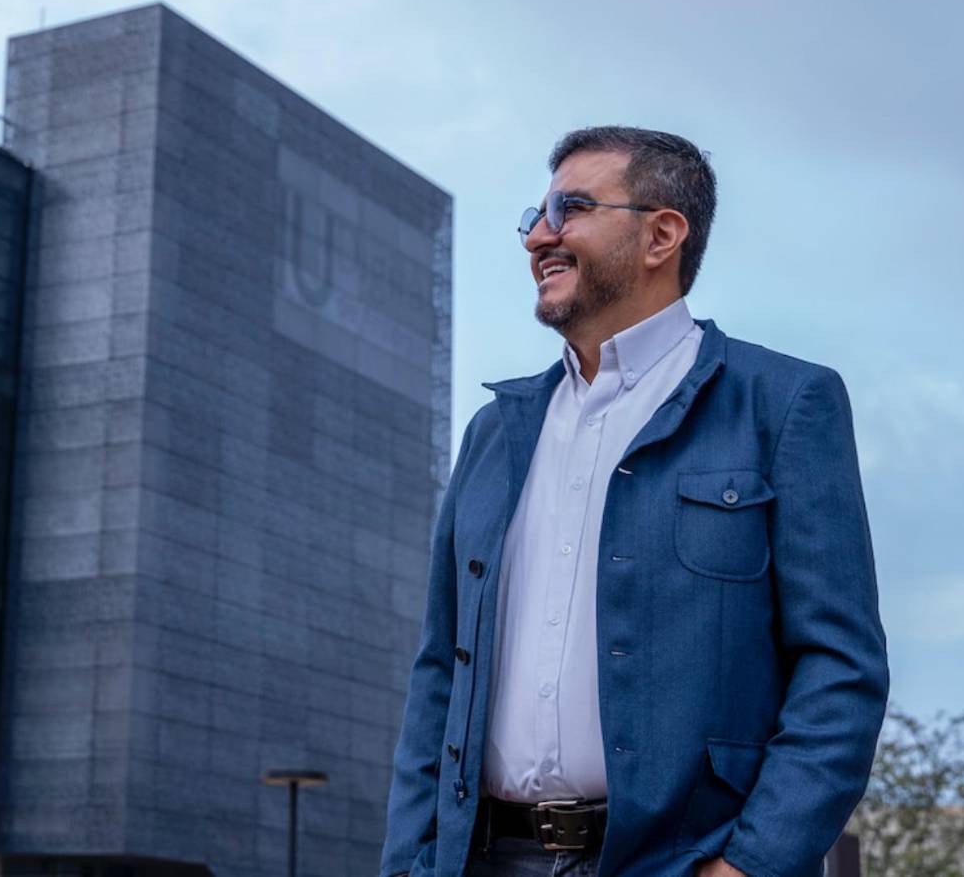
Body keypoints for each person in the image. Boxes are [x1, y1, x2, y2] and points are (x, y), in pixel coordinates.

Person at [379, 127, 889, 877]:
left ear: (662, 235)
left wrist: (752, 865)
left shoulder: (783, 405)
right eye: (535, 217)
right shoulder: (494, 431)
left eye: (570, 208)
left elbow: (840, 669)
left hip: (681, 863)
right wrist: (407, 864)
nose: (539, 238)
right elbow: (438, 672)